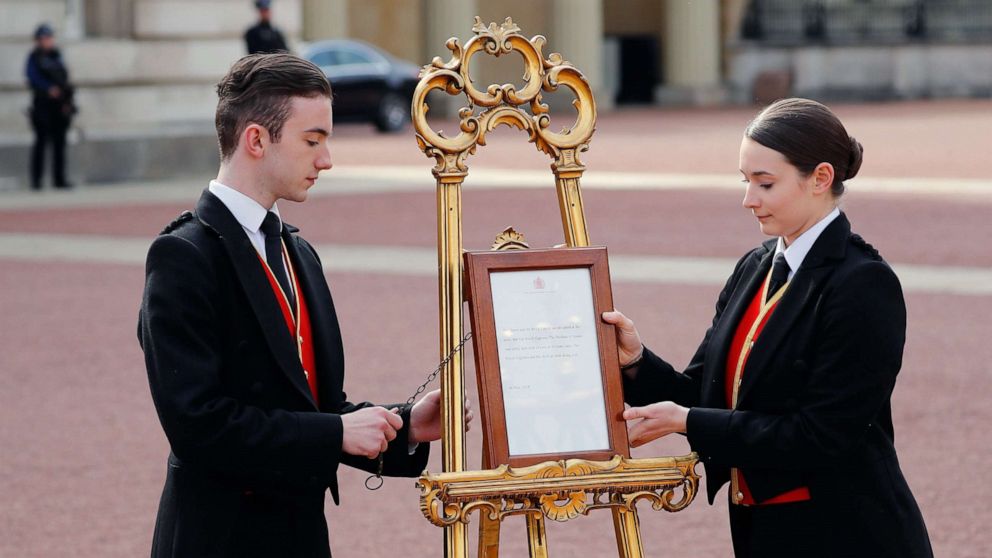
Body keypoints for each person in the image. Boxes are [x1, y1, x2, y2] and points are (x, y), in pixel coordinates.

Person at [138, 53, 467, 558]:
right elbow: (198, 426)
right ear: (255, 140)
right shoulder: (183, 255)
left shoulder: (297, 249)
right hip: (219, 537)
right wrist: (336, 431)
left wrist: (403, 427)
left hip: (300, 535)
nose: (327, 159)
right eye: (312, 141)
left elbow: (310, 405)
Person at [603, 98, 932, 557]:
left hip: (848, 535)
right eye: (746, 181)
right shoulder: (754, 267)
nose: (748, 199)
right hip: (764, 534)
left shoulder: (864, 284)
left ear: (820, 178)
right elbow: (706, 394)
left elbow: (820, 437)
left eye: (765, 183)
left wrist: (688, 422)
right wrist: (635, 361)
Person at [25, 23, 75, 190]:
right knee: (40, 143)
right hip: (42, 106)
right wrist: (48, 89)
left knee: (59, 144)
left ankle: (59, 179)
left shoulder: (57, 56)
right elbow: (32, 78)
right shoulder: (35, 58)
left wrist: (67, 102)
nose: (47, 41)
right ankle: (36, 181)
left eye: (49, 37)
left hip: (58, 107)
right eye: (44, 38)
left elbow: (65, 80)